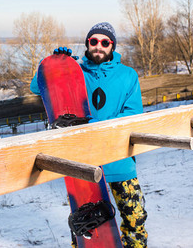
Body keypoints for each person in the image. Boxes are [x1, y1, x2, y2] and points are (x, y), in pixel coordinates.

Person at [30, 22, 148, 248]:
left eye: (105, 42)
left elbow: (133, 114)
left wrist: (94, 124)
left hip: (120, 162)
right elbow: (38, 88)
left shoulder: (128, 76)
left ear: (112, 46)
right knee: (86, 226)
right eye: (94, 41)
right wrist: (53, 66)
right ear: (87, 44)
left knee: (135, 218)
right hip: (84, 165)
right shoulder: (74, 71)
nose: (98, 47)